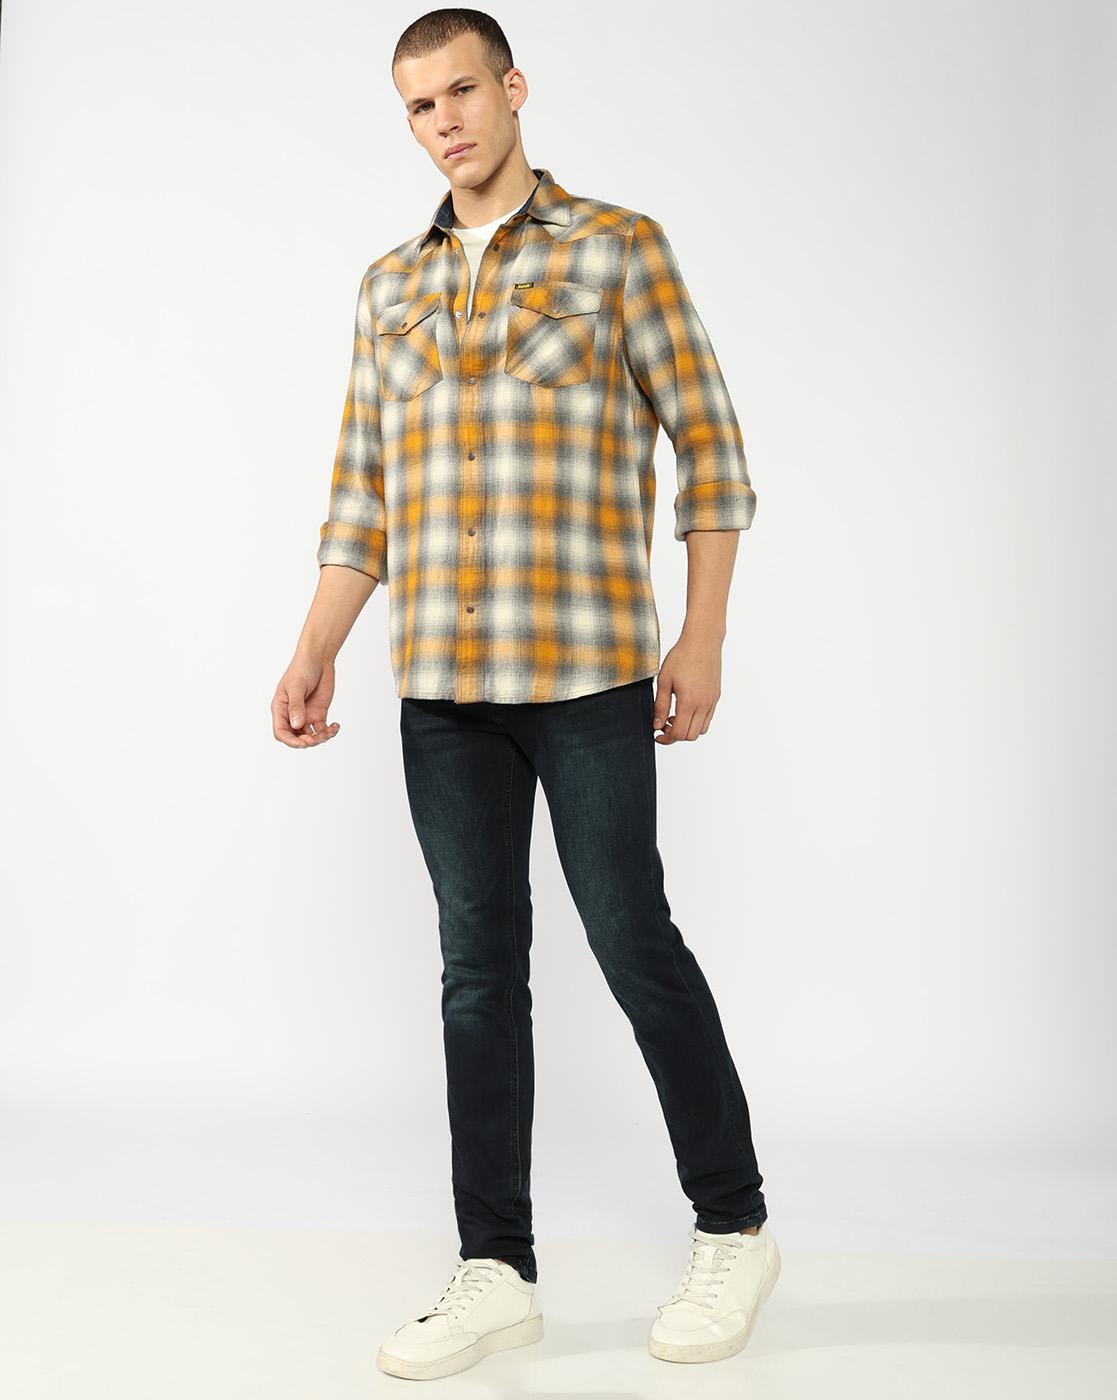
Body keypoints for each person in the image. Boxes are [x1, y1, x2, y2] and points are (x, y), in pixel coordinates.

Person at [271, 6, 779, 1380]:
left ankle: (733, 1225)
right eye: (417, 105)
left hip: (587, 669)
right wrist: (316, 644)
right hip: (441, 689)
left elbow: (713, 453)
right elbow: (361, 496)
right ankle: (495, 1266)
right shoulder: (389, 285)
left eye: (460, 92)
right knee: (476, 974)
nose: (443, 122)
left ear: (512, 89)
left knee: (632, 941)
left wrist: (703, 638)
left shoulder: (617, 248)